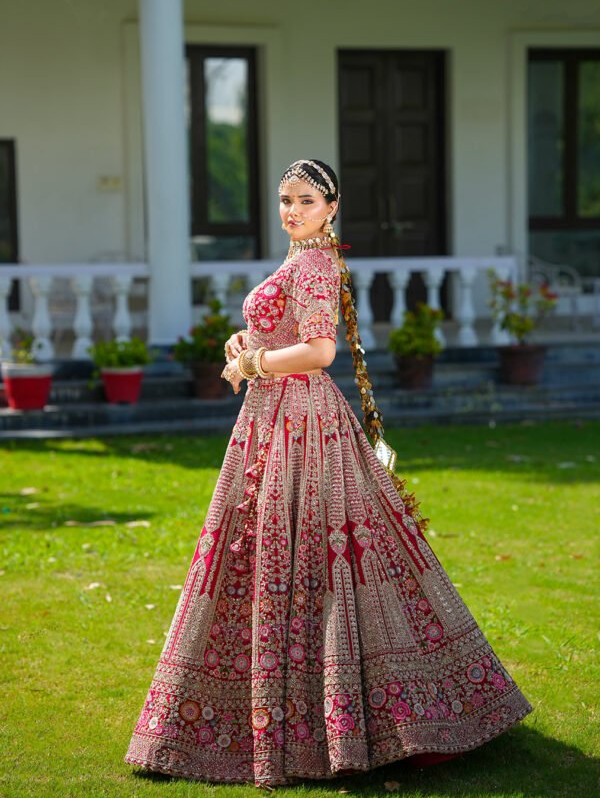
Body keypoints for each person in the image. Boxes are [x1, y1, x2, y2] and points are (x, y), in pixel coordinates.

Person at [124, 159, 533, 788]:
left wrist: (254, 364)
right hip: (278, 418)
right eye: (285, 200)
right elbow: (289, 331)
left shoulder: (314, 265)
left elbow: (320, 352)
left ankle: (352, 719)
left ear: (331, 208)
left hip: (302, 423)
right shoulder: (301, 261)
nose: (292, 211)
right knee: (281, 552)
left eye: (306, 201)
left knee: (320, 557)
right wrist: (247, 341)